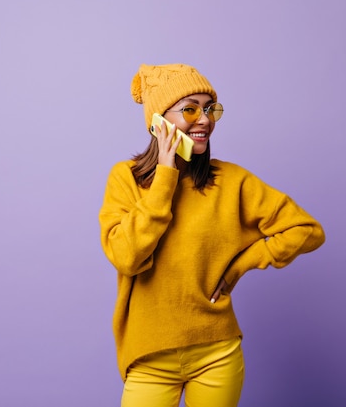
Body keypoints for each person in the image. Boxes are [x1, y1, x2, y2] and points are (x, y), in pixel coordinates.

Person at [99, 63, 325, 407]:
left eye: (210, 108)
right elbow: (127, 257)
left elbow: (307, 230)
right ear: (158, 122)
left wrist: (241, 264)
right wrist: (165, 175)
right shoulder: (126, 179)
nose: (204, 119)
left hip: (217, 352)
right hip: (148, 357)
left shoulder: (232, 181)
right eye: (190, 109)